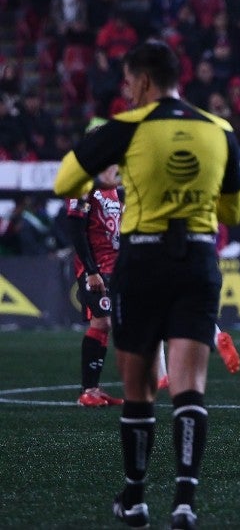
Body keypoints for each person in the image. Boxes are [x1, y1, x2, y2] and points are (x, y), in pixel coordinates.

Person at [53, 40, 240, 530]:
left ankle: (135, 499)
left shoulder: (127, 127)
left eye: (127, 83)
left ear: (140, 81)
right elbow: (234, 211)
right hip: (198, 261)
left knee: (139, 392)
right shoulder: (219, 129)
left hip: (140, 262)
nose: (127, 91)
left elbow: (65, 182)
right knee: (189, 388)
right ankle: (185, 501)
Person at [65, 125, 124, 407]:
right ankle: (87, 391)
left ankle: (94, 389)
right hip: (95, 269)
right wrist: (90, 270)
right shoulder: (84, 184)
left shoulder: (112, 186)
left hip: (116, 267)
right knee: (102, 321)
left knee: (109, 324)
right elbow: (75, 228)